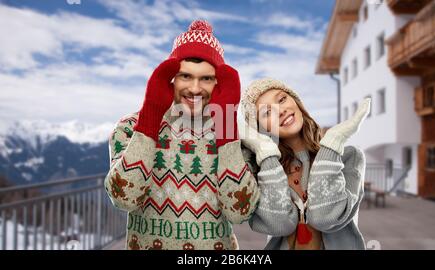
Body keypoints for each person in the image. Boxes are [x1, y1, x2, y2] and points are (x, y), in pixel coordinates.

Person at [104, 20, 260, 250]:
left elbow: (240, 212)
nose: (195, 88)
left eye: (206, 78)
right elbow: (124, 198)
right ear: (171, 78)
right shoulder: (128, 128)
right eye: (185, 76)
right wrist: (150, 117)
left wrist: (226, 125)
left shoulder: (236, 135)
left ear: (218, 82)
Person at [239, 78, 369, 250]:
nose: (281, 110)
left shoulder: (348, 157)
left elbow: (326, 218)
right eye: (267, 112)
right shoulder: (262, 170)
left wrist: (333, 141)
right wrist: (265, 152)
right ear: (259, 129)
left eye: (282, 99)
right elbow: (279, 225)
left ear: (297, 102)